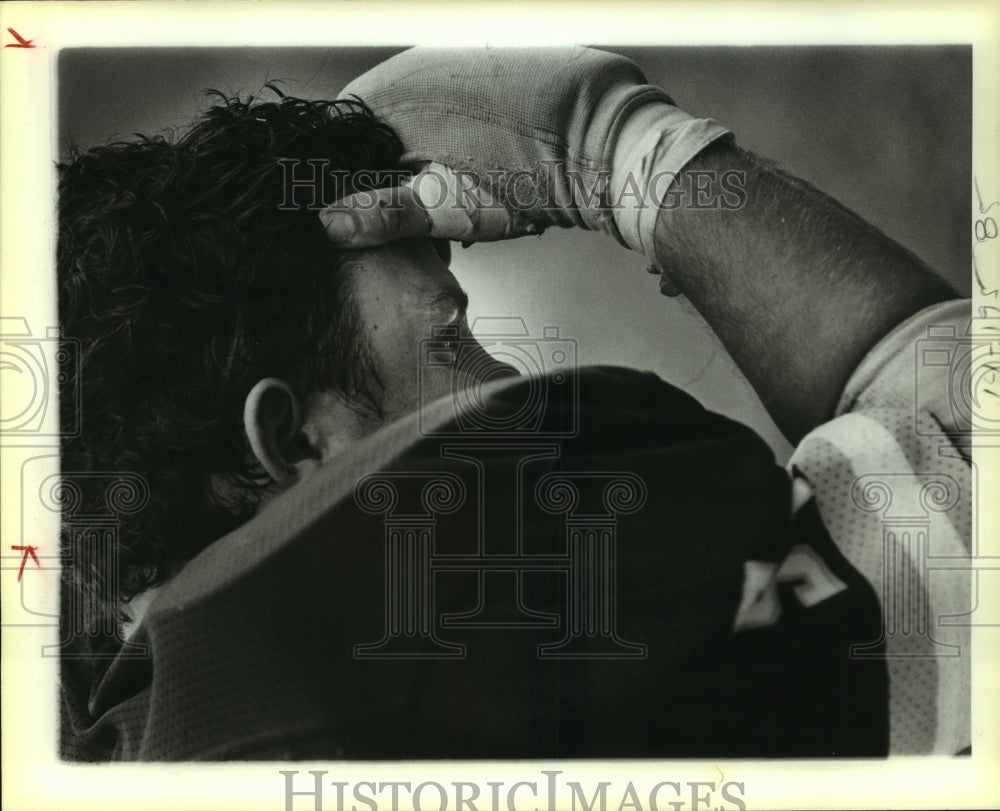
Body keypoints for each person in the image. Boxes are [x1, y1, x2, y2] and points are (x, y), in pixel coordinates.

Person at [56, 48, 971, 761]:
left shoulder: (118, 736)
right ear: (293, 440)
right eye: (450, 339)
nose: (511, 383)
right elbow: (970, 466)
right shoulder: (484, 609)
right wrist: (623, 151)